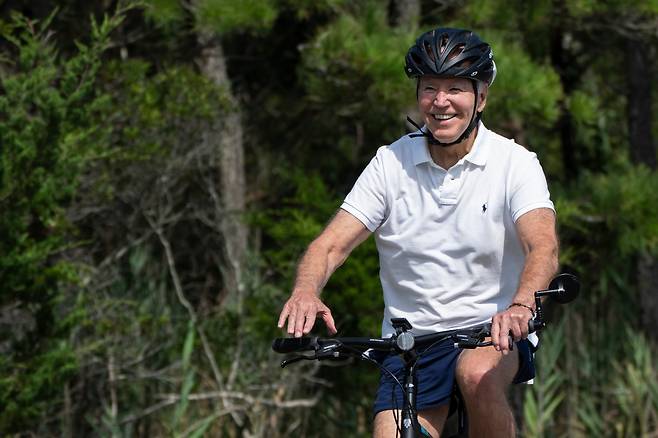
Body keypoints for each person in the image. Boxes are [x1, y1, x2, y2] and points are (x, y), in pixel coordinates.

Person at [277, 27, 558, 438]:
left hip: (490, 334)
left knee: (476, 374)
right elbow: (331, 245)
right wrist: (305, 290)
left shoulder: (514, 163)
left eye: (455, 88)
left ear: (481, 98)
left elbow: (543, 247)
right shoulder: (391, 163)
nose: (440, 102)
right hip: (408, 343)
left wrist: (519, 306)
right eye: (429, 88)